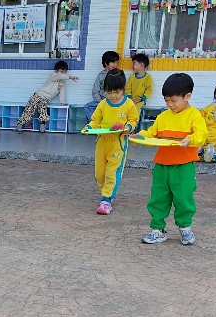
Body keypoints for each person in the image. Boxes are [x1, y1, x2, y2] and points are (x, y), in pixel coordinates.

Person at [138, 73, 207, 246]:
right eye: (166, 100)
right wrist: (140, 136)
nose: (169, 104)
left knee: (184, 198)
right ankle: (158, 229)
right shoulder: (163, 117)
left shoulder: (194, 115)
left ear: (187, 96)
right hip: (162, 165)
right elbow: (151, 133)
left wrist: (190, 139)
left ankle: (185, 227)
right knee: (158, 198)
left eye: (173, 100)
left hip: (183, 166)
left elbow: (202, 135)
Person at [88, 70, 139, 215]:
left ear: (123, 88)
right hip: (102, 142)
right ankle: (106, 194)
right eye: (109, 92)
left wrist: (127, 128)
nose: (113, 96)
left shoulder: (128, 104)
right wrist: (90, 127)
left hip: (118, 143)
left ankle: (106, 200)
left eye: (116, 92)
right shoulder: (103, 104)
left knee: (112, 173)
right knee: (100, 174)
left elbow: (133, 120)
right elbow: (95, 120)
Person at [15, 59, 77, 133]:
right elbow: (60, 76)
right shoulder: (54, 75)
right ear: (57, 70)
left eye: (64, 71)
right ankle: (20, 124)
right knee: (29, 109)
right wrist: (70, 77)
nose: (63, 73)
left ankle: (43, 124)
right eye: (61, 71)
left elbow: (62, 92)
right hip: (38, 95)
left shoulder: (62, 82)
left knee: (43, 110)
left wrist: (62, 102)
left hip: (46, 99)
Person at [83, 50, 121, 121]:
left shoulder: (118, 75)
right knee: (87, 107)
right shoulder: (100, 75)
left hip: (113, 101)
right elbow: (95, 90)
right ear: (106, 63)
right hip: (101, 100)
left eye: (116, 62)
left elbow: (121, 90)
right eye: (113, 62)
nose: (115, 65)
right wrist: (100, 101)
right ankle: (96, 123)